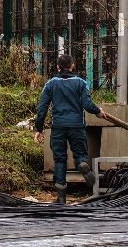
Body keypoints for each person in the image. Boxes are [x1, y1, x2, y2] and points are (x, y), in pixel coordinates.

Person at [34, 54, 101, 205]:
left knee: (60, 160)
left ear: (58, 67)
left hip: (58, 127)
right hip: (76, 125)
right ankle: (83, 164)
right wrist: (98, 111)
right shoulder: (81, 83)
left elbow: (42, 108)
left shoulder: (50, 84)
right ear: (72, 66)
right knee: (80, 154)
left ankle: (61, 198)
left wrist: (38, 129)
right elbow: (87, 104)